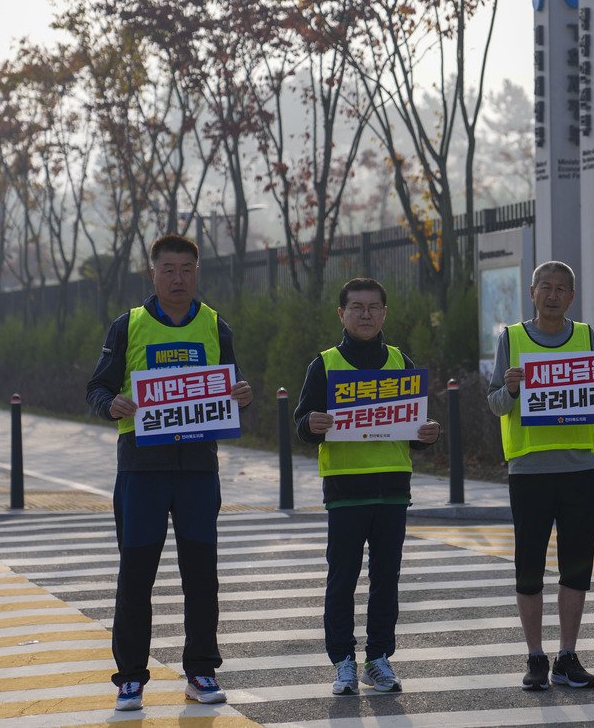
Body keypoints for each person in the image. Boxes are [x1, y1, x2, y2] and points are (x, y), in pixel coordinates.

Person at [86, 234, 253, 711]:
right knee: (136, 574)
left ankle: (201, 671)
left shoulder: (216, 325)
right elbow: (97, 388)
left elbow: (230, 388)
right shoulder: (128, 326)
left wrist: (241, 395)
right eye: (168, 269)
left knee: (202, 575)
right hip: (142, 469)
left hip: (199, 470)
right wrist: (110, 402)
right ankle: (131, 678)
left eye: (186, 269)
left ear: (197, 273)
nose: (177, 278)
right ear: (152, 273)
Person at [294, 277, 441, 696]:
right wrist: (311, 424)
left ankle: (378, 659)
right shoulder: (324, 365)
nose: (365, 314)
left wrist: (428, 433)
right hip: (344, 491)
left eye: (373, 307)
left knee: (386, 579)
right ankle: (343, 660)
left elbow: (414, 430)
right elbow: (302, 423)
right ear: (341, 314)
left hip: (393, 489)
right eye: (356, 307)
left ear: (384, 314)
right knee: (341, 578)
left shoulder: (401, 363)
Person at [488, 260, 594, 690]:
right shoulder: (510, 339)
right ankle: (535, 657)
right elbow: (495, 403)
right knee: (529, 568)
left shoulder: (586, 336)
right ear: (531, 292)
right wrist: (511, 389)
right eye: (545, 287)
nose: (553, 295)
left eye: (561, 288)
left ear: (572, 295)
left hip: (581, 468)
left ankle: (567, 655)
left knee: (576, 567)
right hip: (529, 469)